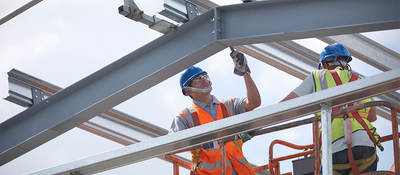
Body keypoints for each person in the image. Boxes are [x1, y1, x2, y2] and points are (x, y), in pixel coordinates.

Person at [281, 43, 383, 175]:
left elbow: (286, 104)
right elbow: (372, 117)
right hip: (364, 145)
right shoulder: (359, 80)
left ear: (324, 64)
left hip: (334, 147)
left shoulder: (317, 76)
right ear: (346, 63)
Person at [170, 49, 261, 175]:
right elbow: (172, 145)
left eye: (204, 76)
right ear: (187, 91)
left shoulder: (229, 105)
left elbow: (254, 102)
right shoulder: (184, 118)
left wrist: (245, 72)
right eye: (197, 79)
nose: (203, 80)